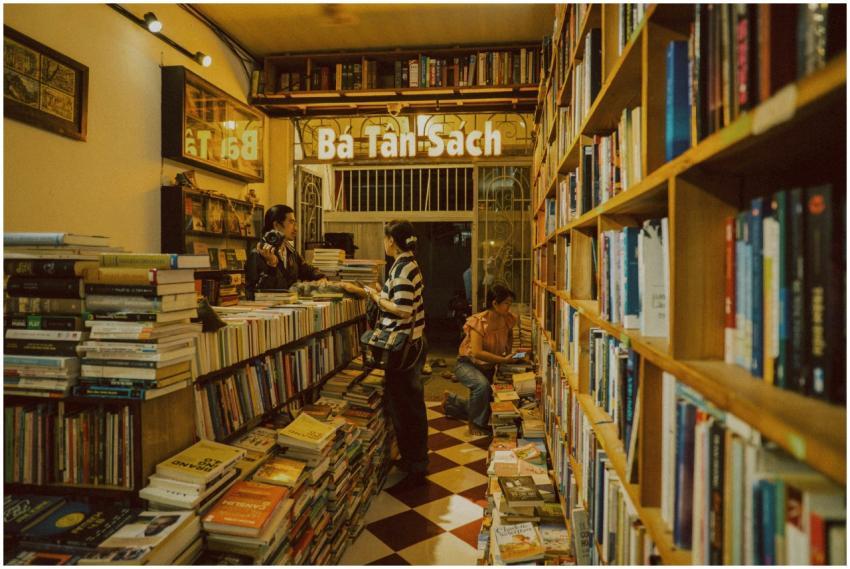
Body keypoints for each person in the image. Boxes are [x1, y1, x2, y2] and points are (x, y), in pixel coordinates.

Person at [341, 220, 429, 487]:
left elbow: (401, 309)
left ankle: (415, 462)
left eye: (385, 238)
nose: (384, 242)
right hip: (411, 344)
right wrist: (380, 292)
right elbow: (402, 300)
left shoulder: (402, 267)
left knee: (405, 406)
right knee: (410, 404)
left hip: (402, 348)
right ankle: (416, 458)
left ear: (391, 240)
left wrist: (371, 294)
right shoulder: (408, 263)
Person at [443, 284, 525, 436]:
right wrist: (502, 359)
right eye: (506, 303)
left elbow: (509, 335)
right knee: (482, 387)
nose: (509, 307)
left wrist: (510, 352)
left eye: (510, 303)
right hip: (467, 364)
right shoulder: (478, 322)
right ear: (494, 303)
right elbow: (477, 352)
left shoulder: (508, 319)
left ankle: (452, 402)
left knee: (488, 401)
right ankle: (474, 424)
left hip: (488, 366)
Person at [245, 204, 324, 299]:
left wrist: (321, 277)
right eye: (291, 222)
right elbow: (255, 294)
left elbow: (307, 270)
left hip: (289, 306)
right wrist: (272, 266)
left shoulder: (290, 251)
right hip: (269, 310)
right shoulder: (257, 254)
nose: (296, 229)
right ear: (276, 225)